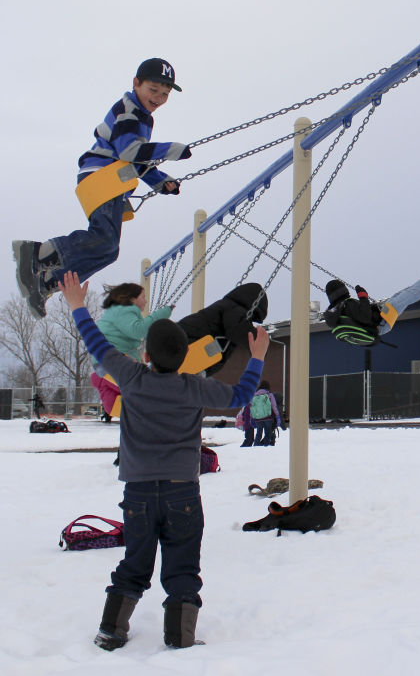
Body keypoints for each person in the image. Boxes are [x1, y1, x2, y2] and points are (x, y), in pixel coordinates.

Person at [56, 270, 268, 651]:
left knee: (135, 563)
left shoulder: (132, 378)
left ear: (147, 354)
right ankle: (180, 636)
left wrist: (76, 305)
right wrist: (257, 357)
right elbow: (240, 395)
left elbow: (98, 343)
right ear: (186, 354)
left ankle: (111, 630)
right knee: (182, 565)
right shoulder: (194, 387)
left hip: (137, 494)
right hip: (182, 492)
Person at [13, 59, 190, 319]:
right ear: (136, 83)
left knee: (108, 251)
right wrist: (172, 149)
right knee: (104, 240)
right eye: (154, 90)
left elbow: (135, 160)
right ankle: (38, 252)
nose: (159, 98)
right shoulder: (129, 111)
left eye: (165, 94)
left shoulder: (143, 117)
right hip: (101, 175)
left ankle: (47, 283)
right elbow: (129, 152)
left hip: (114, 180)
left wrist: (161, 182)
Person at [91, 283, 174, 420]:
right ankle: (101, 381)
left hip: (107, 362)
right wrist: (161, 314)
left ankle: (102, 383)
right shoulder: (124, 310)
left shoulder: (118, 311)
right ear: (132, 299)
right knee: (144, 389)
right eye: (143, 296)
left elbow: (138, 334)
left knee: (113, 403)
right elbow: (137, 331)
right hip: (114, 362)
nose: (146, 300)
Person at [323, 256, 420, 346]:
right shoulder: (347, 304)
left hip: (378, 325)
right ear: (342, 291)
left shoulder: (334, 314)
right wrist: (363, 296)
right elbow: (365, 316)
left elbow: (358, 319)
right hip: (381, 322)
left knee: (401, 296)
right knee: (405, 297)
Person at [239, 382, 281, 447]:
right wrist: (277, 416)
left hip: (258, 418)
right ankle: (265, 447)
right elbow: (274, 406)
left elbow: (251, 408)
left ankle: (256, 446)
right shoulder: (269, 394)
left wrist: (252, 418)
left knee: (259, 433)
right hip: (268, 417)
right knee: (268, 433)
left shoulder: (254, 395)